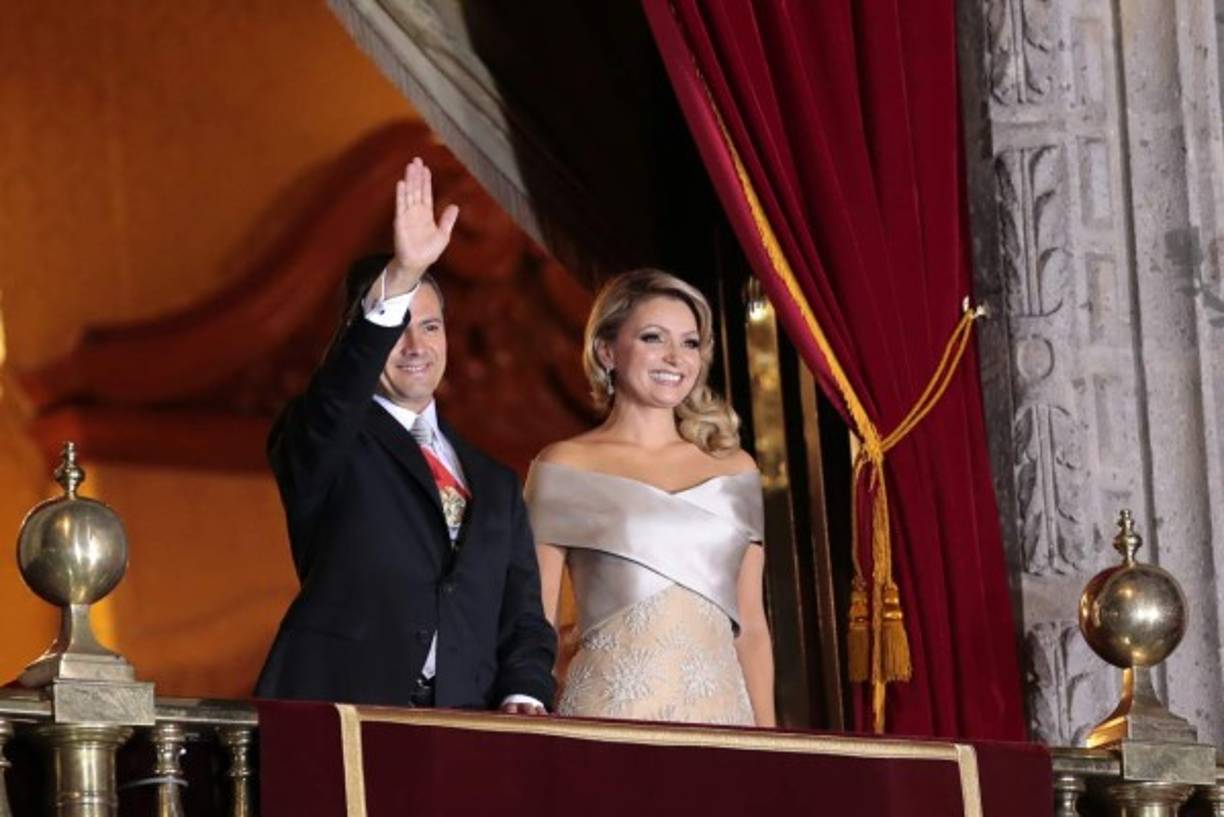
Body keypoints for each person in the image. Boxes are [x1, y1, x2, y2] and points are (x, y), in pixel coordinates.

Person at [255, 158, 555, 713]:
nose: (416, 347)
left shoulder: (495, 481)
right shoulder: (326, 437)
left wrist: (525, 690)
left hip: (463, 722)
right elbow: (337, 395)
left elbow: (523, 616)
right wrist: (401, 278)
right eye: (398, 328)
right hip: (342, 709)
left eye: (431, 326)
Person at [525, 269, 776, 726]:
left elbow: (753, 630)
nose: (675, 357)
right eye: (653, 338)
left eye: (690, 343)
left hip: (721, 721)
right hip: (608, 719)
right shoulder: (564, 466)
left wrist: (771, 743)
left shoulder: (734, 470)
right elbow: (534, 623)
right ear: (607, 351)